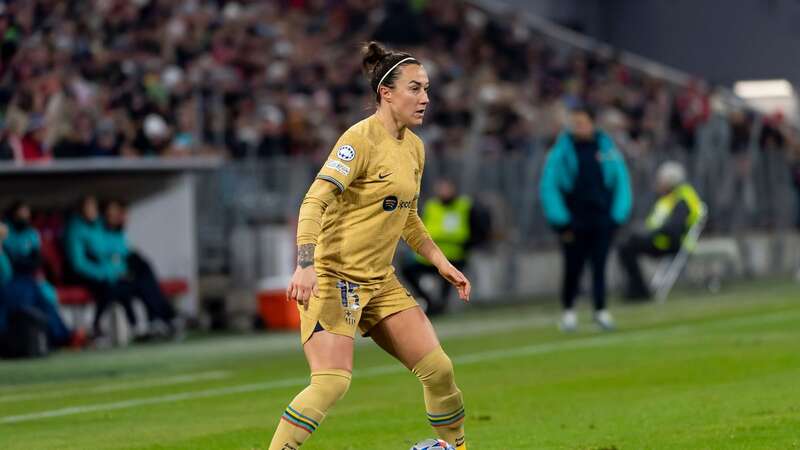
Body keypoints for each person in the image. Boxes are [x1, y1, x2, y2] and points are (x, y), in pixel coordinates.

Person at [268, 42, 471, 450]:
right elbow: (314, 200)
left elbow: (406, 215)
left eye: (427, 88)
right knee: (330, 383)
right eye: (415, 88)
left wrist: (439, 261)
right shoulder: (357, 141)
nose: (425, 98)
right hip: (334, 277)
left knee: (439, 370)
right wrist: (305, 264)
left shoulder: (414, 147)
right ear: (386, 93)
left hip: (380, 282)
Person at [540, 106, 632, 331]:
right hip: (573, 219)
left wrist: (617, 216)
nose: (578, 127)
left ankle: (600, 310)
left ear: (592, 123)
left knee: (599, 266)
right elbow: (549, 186)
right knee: (573, 267)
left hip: (601, 218)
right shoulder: (561, 152)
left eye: (582, 122)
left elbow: (622, 183)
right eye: (575, 123)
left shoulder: (608, 150)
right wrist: (560, 220)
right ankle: (569, 312)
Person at [0, 201, 84, 351]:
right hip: (8, 284)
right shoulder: (7, 236)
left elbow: (36, 260)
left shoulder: (31, 233)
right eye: (21, 213)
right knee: (28, 296)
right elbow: (6, 271)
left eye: (26, 213)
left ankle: (60, 336)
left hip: (25, 281)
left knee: (44, 297)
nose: (24, 217)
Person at [402, 178, 490, 315]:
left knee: (449, 281)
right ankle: (428, 301)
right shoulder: (431, 206)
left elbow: (480, 229)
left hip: (454, 255)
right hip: (430, 256)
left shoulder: (465, 206)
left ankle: (439, 307)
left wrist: (469, 245)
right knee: (408, 269)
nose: (443, 192)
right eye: (441, 188)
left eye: (446, 188)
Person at [617, 162, 703, 300]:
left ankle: (639, 291)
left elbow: (674, 228)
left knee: (626, 247)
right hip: (661, 241)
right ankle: (637, 289)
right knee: (627, 243)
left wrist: (651, 233)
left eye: (661, 180)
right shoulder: (670, 197)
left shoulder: (682, 199)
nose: (658, 183)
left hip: (672, 244)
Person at [102, 199, 180, 336]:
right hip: (115, 275)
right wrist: (118, 269)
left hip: (126, 269)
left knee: (146, 276)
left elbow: (121, 253)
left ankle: (157, 319)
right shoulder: (99, 233)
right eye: (112, 212)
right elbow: (109, 259)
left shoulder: (117, 232)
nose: (117, 216)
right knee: (144, 280)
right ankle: (164, 316)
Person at [65, 195, 137, 337]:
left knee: (124, 287)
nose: (92, 211)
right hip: (82, 274)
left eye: (94, 208)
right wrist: (104, 274)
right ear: (81, 210)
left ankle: (133, 325)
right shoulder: (74, 230)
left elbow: (109, 254)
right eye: (88, 208)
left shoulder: (99, 227)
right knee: (108, 289)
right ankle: (97, 326)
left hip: (104, 273)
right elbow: (79, 263)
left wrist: (115, 271)